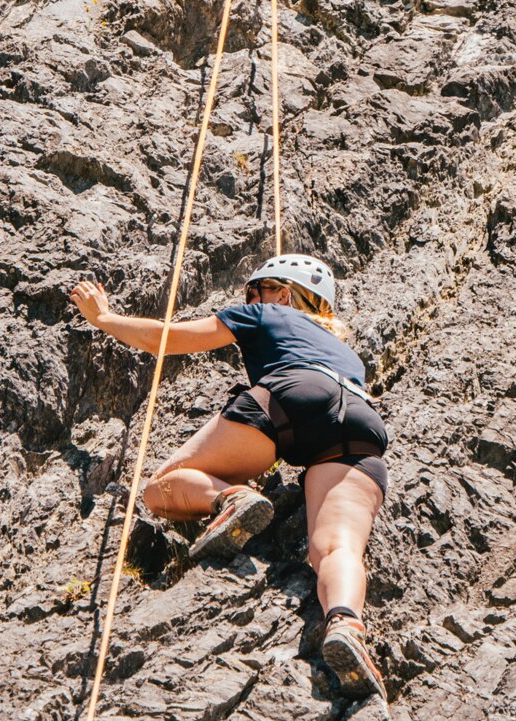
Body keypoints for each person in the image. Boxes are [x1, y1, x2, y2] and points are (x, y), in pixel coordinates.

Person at [70, 254, 389, 700]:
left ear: (283, 293)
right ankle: (345, 622)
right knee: (335, 547)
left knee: (162, 487)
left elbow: (168, 339)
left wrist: (103, 317)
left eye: (256, 291)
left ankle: (230, 499)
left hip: (292, 394)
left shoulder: (265, 312)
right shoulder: (345, 350)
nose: (250, 299)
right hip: (362, 422)